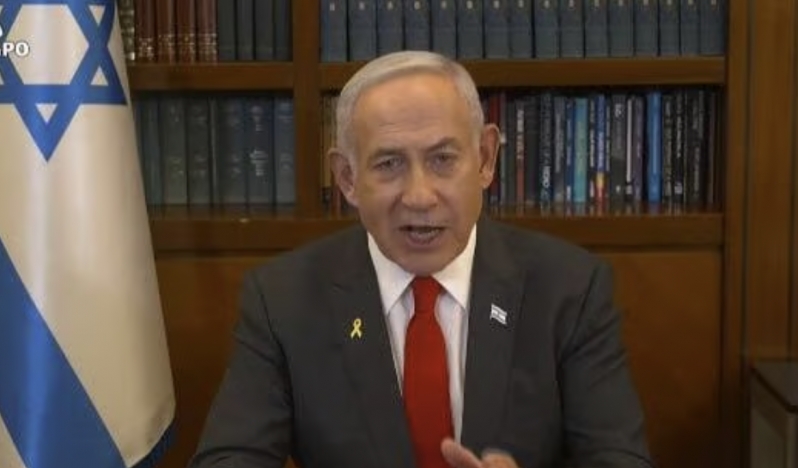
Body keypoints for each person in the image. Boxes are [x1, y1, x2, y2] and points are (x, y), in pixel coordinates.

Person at [189, 50, 653, 468]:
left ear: (485, 159)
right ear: (348, 178)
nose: (419, 196)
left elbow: (619, 459)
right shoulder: (282, 300)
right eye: (388, 164)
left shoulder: (569, 288)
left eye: (442, 159)